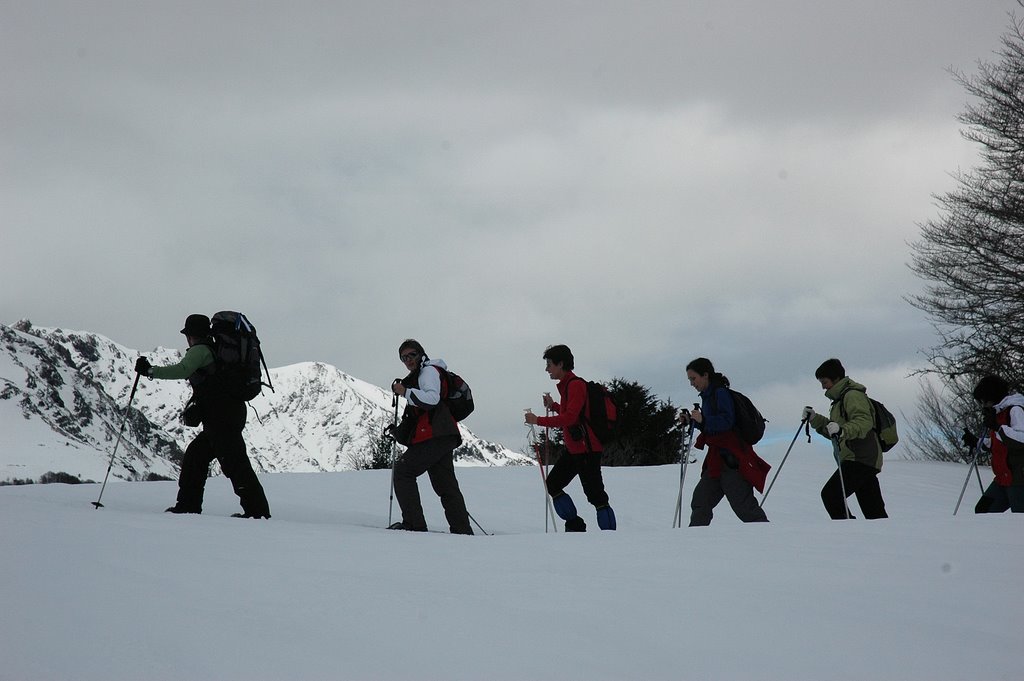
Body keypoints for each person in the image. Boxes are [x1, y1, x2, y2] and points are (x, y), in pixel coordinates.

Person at [135, 314, 271, 519]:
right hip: (228, 413)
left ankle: (257, 512)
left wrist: (150, 371)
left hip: (221, 417)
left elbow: (183, 370)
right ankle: (188, 506)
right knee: (196, 456)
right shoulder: (214, 349)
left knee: (235, 464)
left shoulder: (200, 350)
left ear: (190, 335)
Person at [523, 344, 616, 531]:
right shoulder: (568, 386)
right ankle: (575, 525)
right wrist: (554, 406)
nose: (547, 369)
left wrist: (537, 420)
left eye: (549, 364)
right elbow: (574, 413)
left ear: (561, 364)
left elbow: (570, 418)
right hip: (577, 449)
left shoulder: (575, 385)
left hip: (587, 449)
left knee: (595, 495)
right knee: (554, 484)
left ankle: (608, 537)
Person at [386, 339, 473, 534]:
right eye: (404, 357)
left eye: (412, 355)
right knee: (446, 486)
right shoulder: (427, 372)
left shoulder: (428, 372)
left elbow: (432, 399)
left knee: (403, 471)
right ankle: (462, 531)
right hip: (443, 434)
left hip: (434, 435)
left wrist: (406, 391)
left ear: (421, 354)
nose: (408, 360)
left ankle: (414, 525)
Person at [682, 357, 769, 526]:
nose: (692, 383)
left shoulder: (720, 393)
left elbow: (726, 421)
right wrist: (693, 421)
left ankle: (770, 540)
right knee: (700, 501)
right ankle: (694, 544)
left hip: (731, 461)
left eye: (693, 378)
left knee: (745, 509)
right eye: (690, 380)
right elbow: (711, 426)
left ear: (705, 375)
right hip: (717, 462)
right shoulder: (708, 396)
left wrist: (703, 420)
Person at [802, 358, 887, 520]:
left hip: (861, 457)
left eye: (824, 382)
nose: (823, 387)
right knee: (873, 510)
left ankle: (848, 533)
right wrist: (815, 419)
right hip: (859, 458)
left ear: (836, 379)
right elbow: (835, 432)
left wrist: (842, 430)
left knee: (831, 495)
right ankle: (885, 539)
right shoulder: (839, 400)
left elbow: (864, 422)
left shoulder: (853, 396)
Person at [963, 375, 1024, 513]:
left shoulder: (1015, 410)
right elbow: (999, 444)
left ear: (993, 397)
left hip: (1019, 479)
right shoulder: (998, 413)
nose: (983, 406)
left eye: (985, 401)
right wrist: (977, 442)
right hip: (1003, 478)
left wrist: (997, 427)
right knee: (983, 511)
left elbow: (1021, 439)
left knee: (1020, 521)